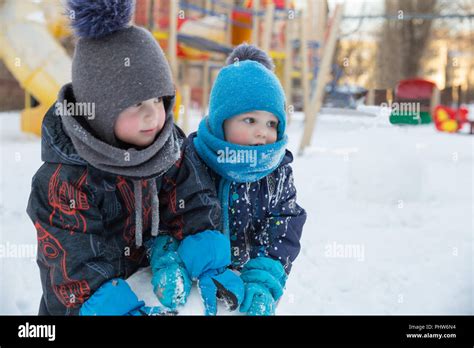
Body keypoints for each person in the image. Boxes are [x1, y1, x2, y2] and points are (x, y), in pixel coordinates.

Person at [26, 0, 227, 315]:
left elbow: (194, 203)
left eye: (158, 99)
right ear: (100, 113)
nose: (153, 115)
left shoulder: (167, 148)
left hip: (148, 289)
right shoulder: (64, 182)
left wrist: (206, 260)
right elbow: (74, 272)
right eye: (136, 104)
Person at [177, 44, 307, 315]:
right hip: (196, 284)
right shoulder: (192, 161)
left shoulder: (277, 172)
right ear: (221, 121)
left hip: (249, 286)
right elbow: (175, 217)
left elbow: (283, 227)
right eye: (250, 120)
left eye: (271, 123)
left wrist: (263, 280)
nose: (262, 133)